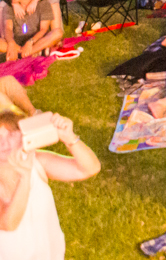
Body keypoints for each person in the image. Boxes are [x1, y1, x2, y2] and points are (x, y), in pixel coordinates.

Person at [0, 111, 101, 260]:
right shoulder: (28, 168)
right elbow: (8, 224)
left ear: (23, 135)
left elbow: (89, 169)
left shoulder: (37, 162)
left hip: (49, 253)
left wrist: (70, 139)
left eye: (11, 135)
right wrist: (25, 177)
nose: (4, 143)